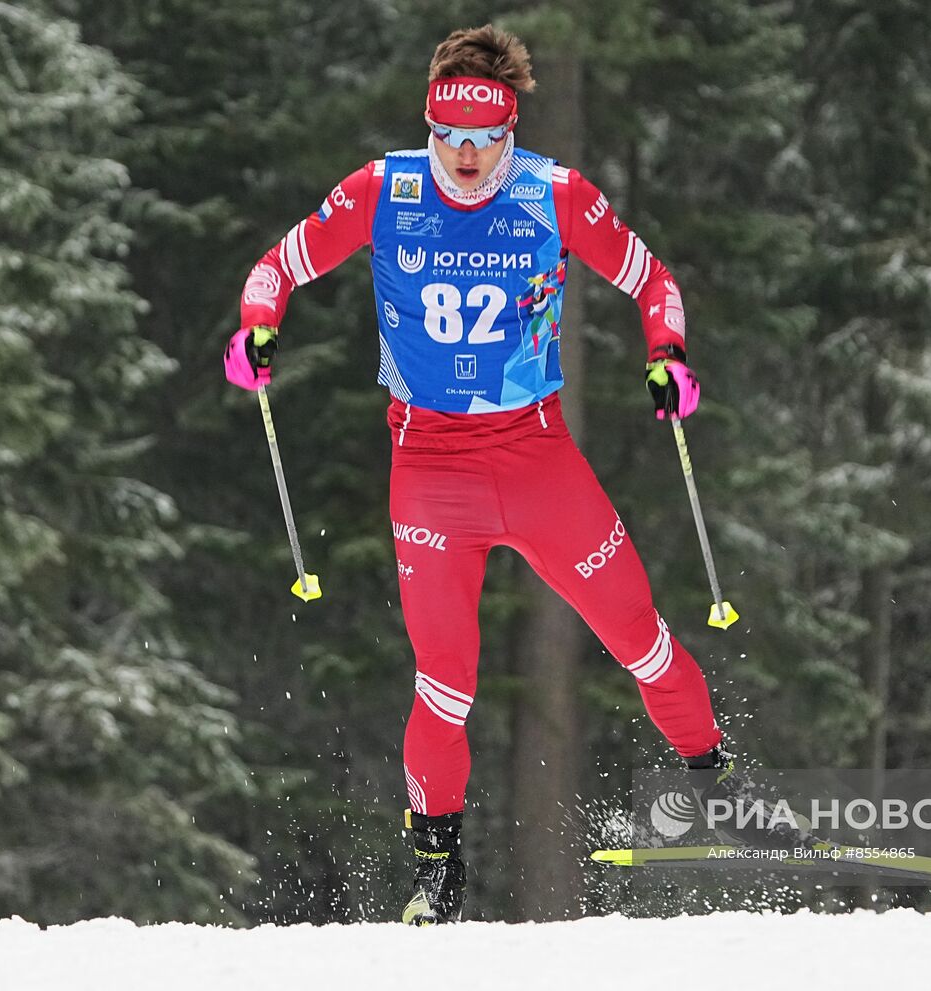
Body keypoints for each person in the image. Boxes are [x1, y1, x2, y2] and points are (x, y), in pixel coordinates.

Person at [225, 25, 738, 924]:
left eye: (484, 141)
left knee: (641, 639)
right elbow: (276, 268)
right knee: (445, 682)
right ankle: (438, 882)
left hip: (537, 457)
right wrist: (257, 327)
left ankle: (715, 785)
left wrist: (668, 354)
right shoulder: (383, 190)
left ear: (511, 134)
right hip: (429, 468)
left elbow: (655, 281)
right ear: (430, 128)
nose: (464, 160)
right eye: (448, 139)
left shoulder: (555, 195)